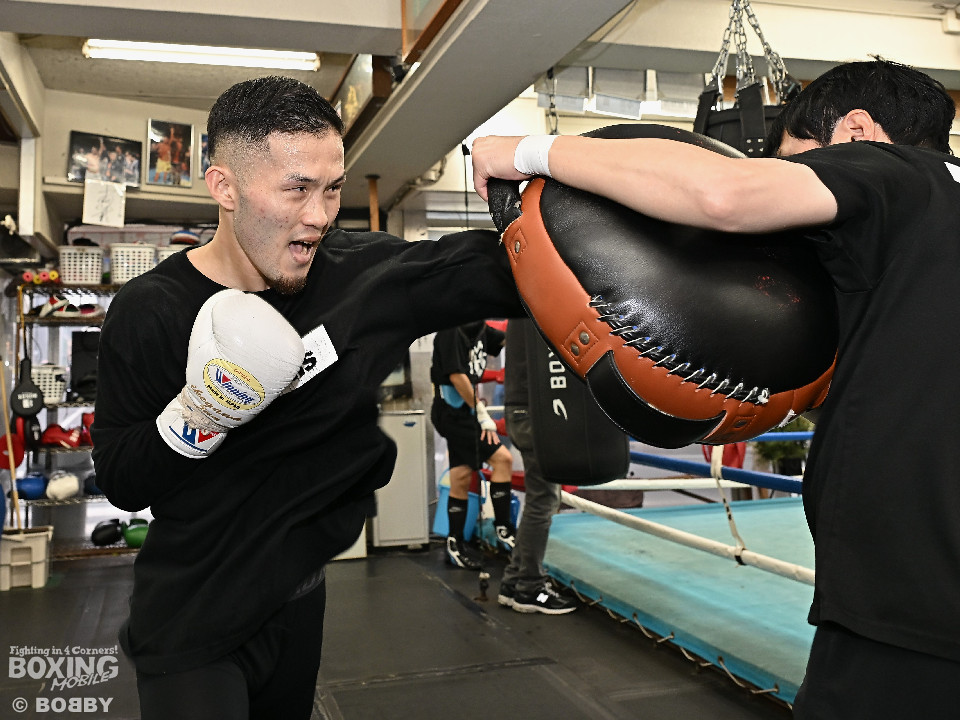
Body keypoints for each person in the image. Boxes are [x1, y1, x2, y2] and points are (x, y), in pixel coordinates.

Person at [471, 57, 960, 718]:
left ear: (855, 132)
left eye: (794, 161)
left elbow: (724, 195)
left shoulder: (896, 171)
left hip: (914, 604)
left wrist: (525, 151)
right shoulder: (930, 232)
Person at [92, 75, 523, 720]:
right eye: (296, 189)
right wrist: (200, 415)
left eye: (332, 188)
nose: (319, 215)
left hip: (299, 604)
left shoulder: (356, 273)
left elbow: (487, 273)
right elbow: (123, 480)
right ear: (225, 188)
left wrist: (542, 180)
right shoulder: (150, 309)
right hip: (191, 617)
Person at [497, 318, 577, 614]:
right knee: (543, 499)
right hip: (535, 412)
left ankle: (513, 582)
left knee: (537, 498)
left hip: (522, 408)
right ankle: (530, 588)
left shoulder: (522, 310)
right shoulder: (539, 310)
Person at [430, 321, 516, 570]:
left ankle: (455, 544)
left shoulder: (478, 327)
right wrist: (481, 413)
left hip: (462, 412)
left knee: (461, 475)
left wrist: (529, 326)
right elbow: (457, 376)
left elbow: (504, 338)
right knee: (503, 459)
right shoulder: (451, 329)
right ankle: (504, 531)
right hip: (454, 413)